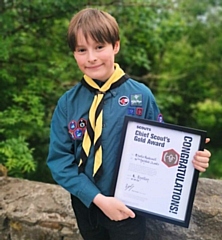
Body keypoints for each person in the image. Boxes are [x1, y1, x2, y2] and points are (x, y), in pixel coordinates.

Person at [47, 8, 211, 240]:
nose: (91, 57)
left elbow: (162, 149)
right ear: (74, 53)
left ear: (116, 46)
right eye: (82, 50)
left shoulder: (141, 96)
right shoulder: (67, 103)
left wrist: (191, 155)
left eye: (99, 47)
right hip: (86, 205)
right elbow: (60, 161)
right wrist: (97, 199)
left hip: (129, 207)